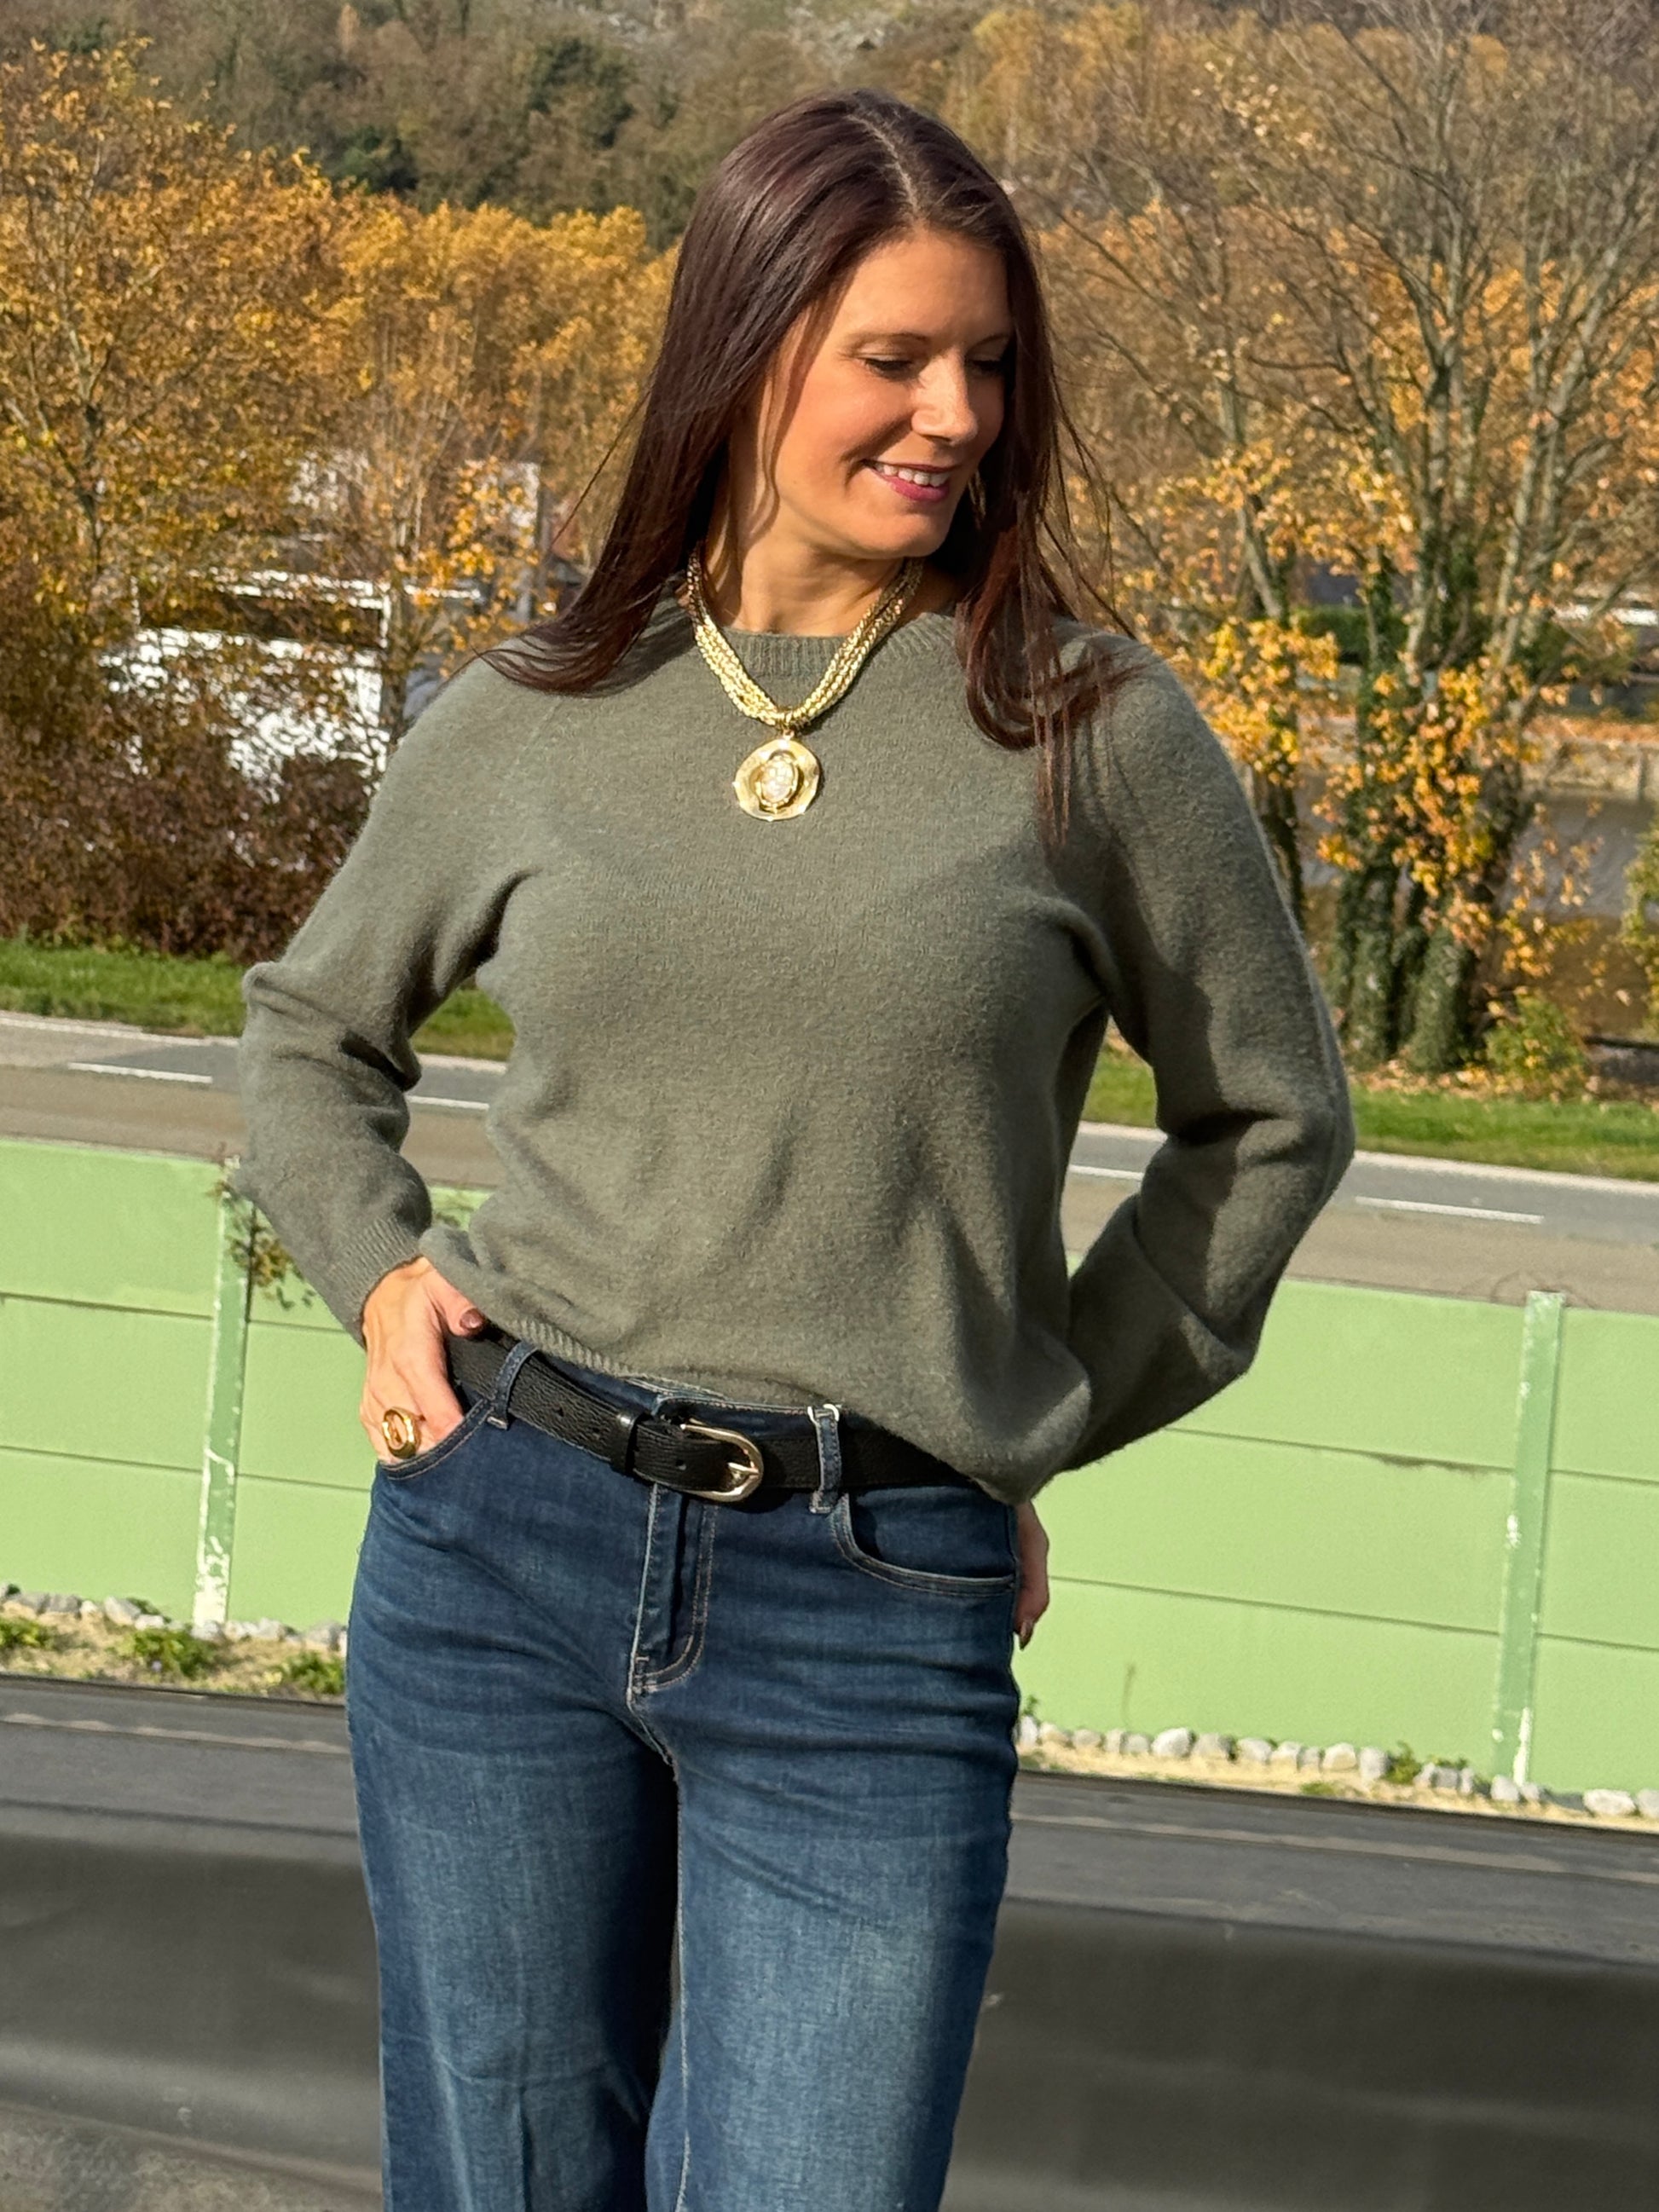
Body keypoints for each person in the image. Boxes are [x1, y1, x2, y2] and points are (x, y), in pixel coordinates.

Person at [232, 84, 1355, 2212]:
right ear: (744, 352)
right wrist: (378, 1269)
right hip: (496, 1546)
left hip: (874, 1600)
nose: (956, 415)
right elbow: (308, 1031)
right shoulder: (541, 708)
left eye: (989, 364)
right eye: (894, 357)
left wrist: (1023, 1407)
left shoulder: (1092, 732)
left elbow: (1273, 1121)